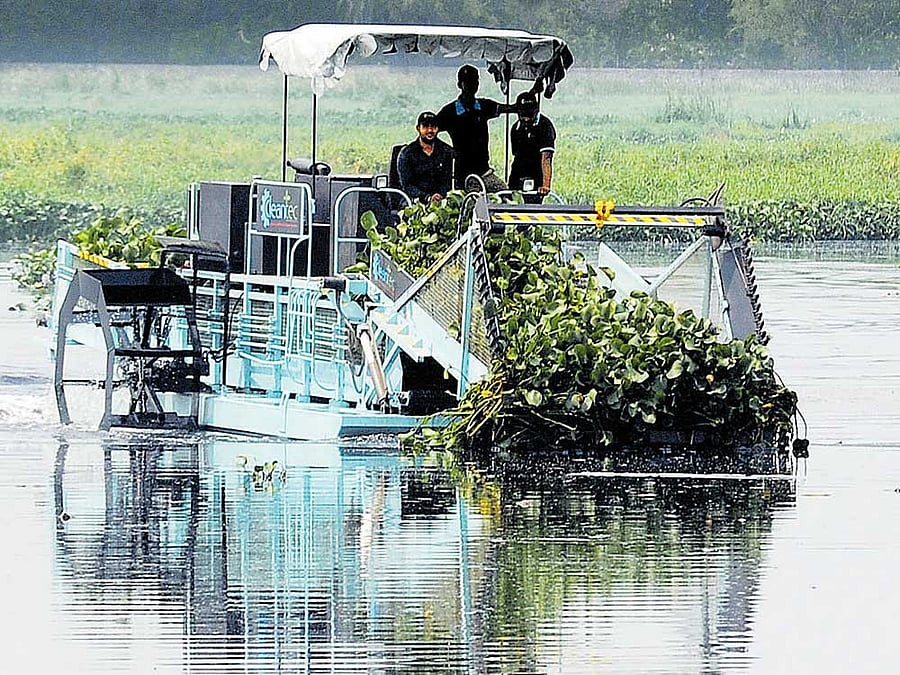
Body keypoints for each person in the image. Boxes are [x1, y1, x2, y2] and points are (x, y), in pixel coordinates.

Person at [436, 64, 540, 192]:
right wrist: (448, 150)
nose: (472, 85)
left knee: (505, 195)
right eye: (468, 81)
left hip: (485, 173)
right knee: (476, 205)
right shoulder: (450, 111)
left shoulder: (483, 106)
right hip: (464, 176)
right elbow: (430, 132)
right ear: (459, 84)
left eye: (475, 81)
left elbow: (512, 108)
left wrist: (532, 93)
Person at [508, 91, 556, 204]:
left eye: (529, 115)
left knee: (532, 208)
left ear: (536, 111)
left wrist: (545, 185)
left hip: (536, 174)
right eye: (522, 116)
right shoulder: (515, 128)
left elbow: (546, 158)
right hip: (518, 173)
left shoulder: (545, 126)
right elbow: (515, 153)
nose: (526, 120)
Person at [396, 111, 454, 203]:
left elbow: (449, 181)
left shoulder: (447, 152)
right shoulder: (407, 154)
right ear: (418, 128)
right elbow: (407, 185)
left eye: (433, 127)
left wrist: (440, 196)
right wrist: (427, 197)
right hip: (414, 201)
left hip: (442, 200)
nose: (430, 130)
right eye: (426, 126)